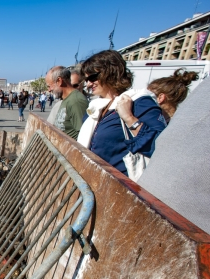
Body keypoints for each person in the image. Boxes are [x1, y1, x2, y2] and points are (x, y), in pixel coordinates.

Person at [137, 77, 210, 234]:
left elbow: (152, 147)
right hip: (153, 214)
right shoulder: (185, 116)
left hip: (184, 232)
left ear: (161, 97)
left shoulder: (167, 120)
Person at [76, 50, 167, 176]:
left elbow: (162, 147)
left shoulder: (139, 102)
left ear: (110, 73)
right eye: (86, 80)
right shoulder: (97, 107)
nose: (88, 84)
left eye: (92, 77)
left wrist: (130, 119)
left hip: (120, 185)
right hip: (94, 178)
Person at [45, 66, 89, 139]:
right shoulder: (66, 99)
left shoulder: (76, 101)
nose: (49, 90)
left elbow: (84, 136)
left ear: (59, 81)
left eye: (49, 86)